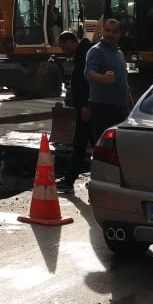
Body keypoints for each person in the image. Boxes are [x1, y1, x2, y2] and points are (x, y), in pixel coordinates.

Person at [84, 18, 133, 144]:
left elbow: (123, 78)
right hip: (102, 109)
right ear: (102, 31)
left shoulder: (120, 53)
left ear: (119, 34)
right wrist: (103, 78)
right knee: (104, 149)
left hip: (119, 109)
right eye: (107, 30)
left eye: (114, 31)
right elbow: (89, 73)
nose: (110, 34)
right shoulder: (96, 51)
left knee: (119, 147)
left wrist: (129, 98)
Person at [56, 30, 93, 192]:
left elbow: (86, 82)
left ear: (70, 42)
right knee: (86, 143)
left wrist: (85, 105)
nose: (64, 51)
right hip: (84, 107)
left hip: (87, 108)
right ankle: (70, 179)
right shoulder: (82, 53)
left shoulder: (86, 54)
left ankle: (70, 180)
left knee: (81, 144)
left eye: (64, 47)